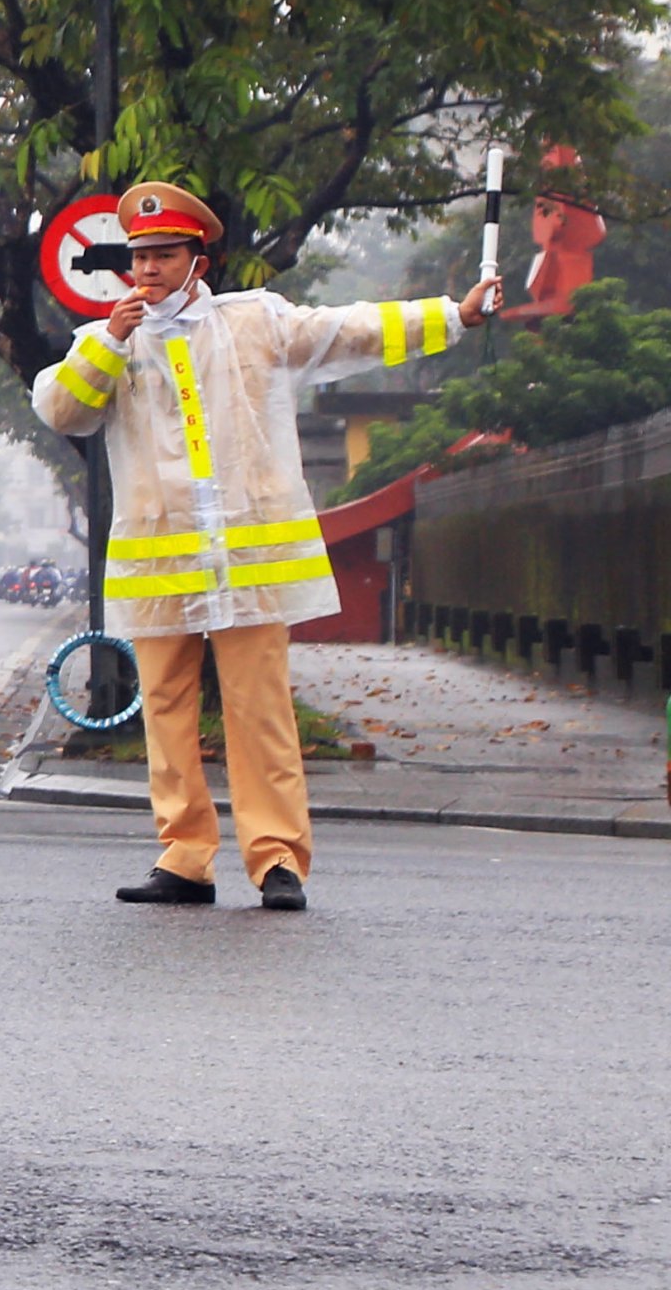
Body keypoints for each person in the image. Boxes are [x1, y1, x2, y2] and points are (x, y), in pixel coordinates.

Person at [32, 178, 502, 912]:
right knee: (165, 710)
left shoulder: (255, 321)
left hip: (249, 567)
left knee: (260, 708)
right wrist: (113, 338)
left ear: (198, 262)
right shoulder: (103, 343)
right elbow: (64, 408)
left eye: (163, 255)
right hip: (159, 570)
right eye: (139, 257)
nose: (147, 269)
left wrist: (454, 314)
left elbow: (351, 329)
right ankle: (184, 856)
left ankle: (277, 858)